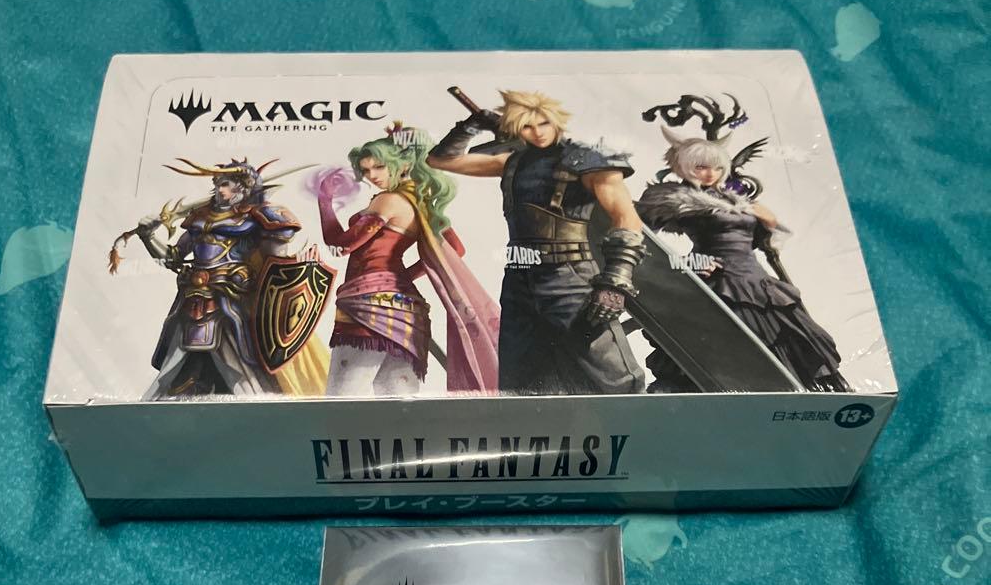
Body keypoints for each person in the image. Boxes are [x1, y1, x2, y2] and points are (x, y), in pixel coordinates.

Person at [428, 89, 648, 396]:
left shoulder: (588, 160)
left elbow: (627, 219)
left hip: (569, 276)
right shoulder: (512, 162)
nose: (537, 132)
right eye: (527, 127)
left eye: (543, 123)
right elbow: (440, 160)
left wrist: (615, 282)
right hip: (519, 278)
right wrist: (472, 125)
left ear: (556, 121)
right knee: (521, 377)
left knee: (611, 374)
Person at [636, 128, 850, 392]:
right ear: (683, 165)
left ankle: (796, 394)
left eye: (717, 167)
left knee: (794, 337)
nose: (710, 173)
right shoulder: (675, 199)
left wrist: (759, 216)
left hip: (756, 281)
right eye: (701, 167)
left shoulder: (733, 197)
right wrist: (685, 264)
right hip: (718, 283)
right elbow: (636, 237)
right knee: (730, 343)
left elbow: (767, 231)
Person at [111, 157, 329, 399]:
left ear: (243, 188)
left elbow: (276, 263)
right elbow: (173, 258)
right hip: (193, 297)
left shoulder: (253, 220)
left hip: (232, 299)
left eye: (225, 184)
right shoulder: (199, 220)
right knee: (180, 355)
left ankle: (254, 401)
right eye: (217, 184)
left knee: (241, 361)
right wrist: (148, 236)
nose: (219, 189)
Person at [316, 126, 499, 397]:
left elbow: (341, 245)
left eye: (379, 166)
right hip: (408, 311)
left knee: (341, 397)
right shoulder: (423, 204)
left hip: (368, 307)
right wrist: (402, 277)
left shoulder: (388, 200)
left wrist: (324, 200)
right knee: (398, 401)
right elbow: (456, 248)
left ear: (403, 164)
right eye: (366, 170)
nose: (372, 176)